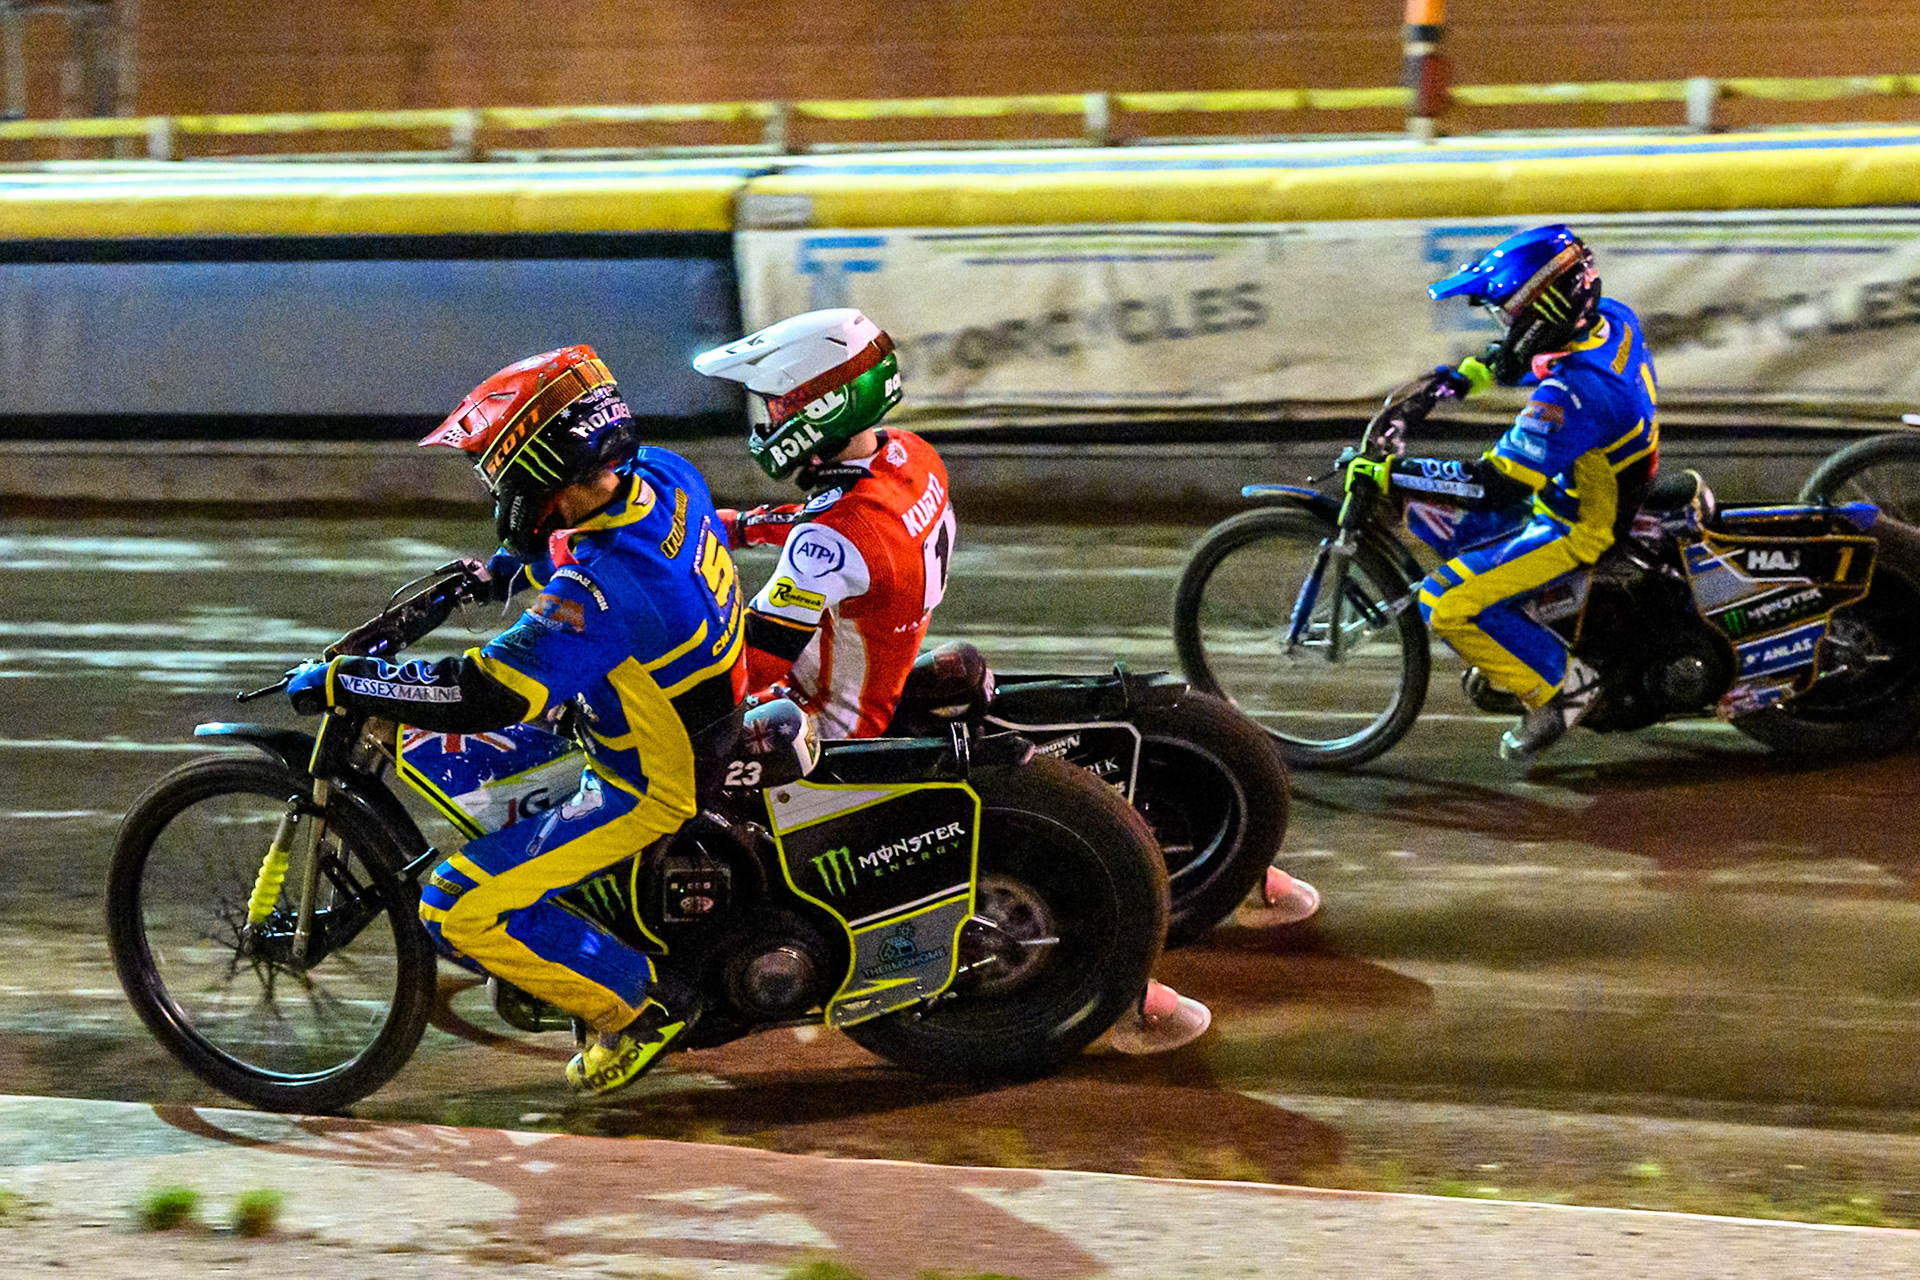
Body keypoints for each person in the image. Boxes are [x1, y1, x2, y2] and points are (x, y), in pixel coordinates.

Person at [692, 308, 1215, 1054]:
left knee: (686, 784)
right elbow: (838, 516)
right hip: (888, 662)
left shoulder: (826, 541)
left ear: (819, 405)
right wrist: (735, 527)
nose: (768, 421)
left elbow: (759, 659)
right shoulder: (909, 457)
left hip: (832, 724)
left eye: (777, 405)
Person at [283, 345, 746, 1096]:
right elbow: (579, 541)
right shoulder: (661, 474)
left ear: (543, 468)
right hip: (679, 705)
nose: (497, 488)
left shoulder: (597, 591)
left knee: (454, 902)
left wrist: (354, 681)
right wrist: (497, 571)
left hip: (648, 780)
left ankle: (641, 1006)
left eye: (500, 469)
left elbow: (483, 693)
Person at [1344, 224, 1659, 759]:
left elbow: (1491, 485)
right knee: (1439, 520)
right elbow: (1516, 357)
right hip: (1581, 487)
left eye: (1509, 314)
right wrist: (1456, 381)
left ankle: (1565, 689)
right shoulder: (1610, 322)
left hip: (1577, 528)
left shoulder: (1572, 395)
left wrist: (1389, 474)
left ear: (1544, 311)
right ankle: (1526, 628)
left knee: (1442, 602)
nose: (1504, 325)